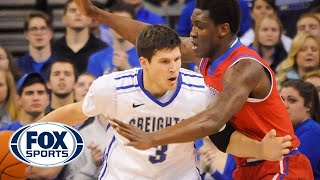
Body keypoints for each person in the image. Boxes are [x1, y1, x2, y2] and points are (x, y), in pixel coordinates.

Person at [73, 0, 314, 179]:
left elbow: (212, 120)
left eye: (200, 26)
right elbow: (150, 39)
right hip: (247, 163)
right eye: (192, 25)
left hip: (279, 164)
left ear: (222, 30)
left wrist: (152, 137)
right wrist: (97, 14)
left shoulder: (244, 68)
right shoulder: (207, 53)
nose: (193, 33)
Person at [37, 24, 291, 179]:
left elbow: (223, 137)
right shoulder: (112, 87)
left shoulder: (200, 90)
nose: (174, 68)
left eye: (177, 60)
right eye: (165, 62)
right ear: (144, 62)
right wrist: (31, 137)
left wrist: (261, 151)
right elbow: (74, 113)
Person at [53, 0, 107, 73]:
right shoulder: (53, 49)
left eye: (82, 11)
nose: (78, 13)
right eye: (73, 10)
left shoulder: (102, 49)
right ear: (64, 18)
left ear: (90, 19)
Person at [280, 79, 320, 179]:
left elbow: (293, 174)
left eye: (292, 100)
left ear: (308, 106)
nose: (284, 105)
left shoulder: (313, 133)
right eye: (281, 100)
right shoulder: (293, 132)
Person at [16, 11, 57, 81]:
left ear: (51, 33)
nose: (39, 33)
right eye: (33, 29)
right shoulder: (17, 66)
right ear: (26, 34)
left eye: (43, 28)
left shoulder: (61, 64)